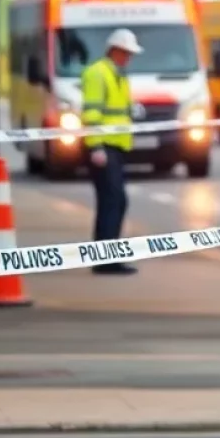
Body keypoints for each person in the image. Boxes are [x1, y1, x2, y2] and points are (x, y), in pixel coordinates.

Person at [80, 28, 143, 274]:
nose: (129, 58)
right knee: (113, 200)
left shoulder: (118, 74)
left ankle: (108, 256)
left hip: (116, 146)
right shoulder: (98, 73)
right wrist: (95, 146)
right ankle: (106, 260)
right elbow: (92, 114)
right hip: (103, 147)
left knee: (115, 201)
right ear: (114, 51)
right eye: (126, 53)